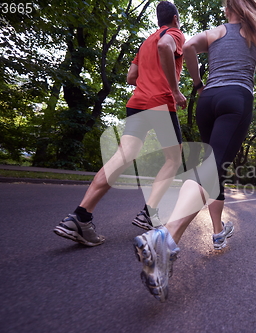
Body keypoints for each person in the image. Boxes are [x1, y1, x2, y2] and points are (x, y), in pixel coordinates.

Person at [133, 0, 256, 302]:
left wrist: (197, 83)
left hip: (208, 101)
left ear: (228, 10)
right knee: (212, 169)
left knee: (213, 168)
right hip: (236, 98)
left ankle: (217, 230)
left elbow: (188, 49)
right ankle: (164, 238)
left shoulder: (215, 33)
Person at [54, 1, 187, 247]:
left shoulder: (145, 42)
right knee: (174, 159)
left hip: (137, 103)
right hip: (160, 103)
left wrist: (149, 77)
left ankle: (80, 216)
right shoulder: (174, 34)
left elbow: (131, 77)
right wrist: (175, 90)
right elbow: (165, 46)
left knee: (122, 156)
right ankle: (149, 213)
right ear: (176, 19)